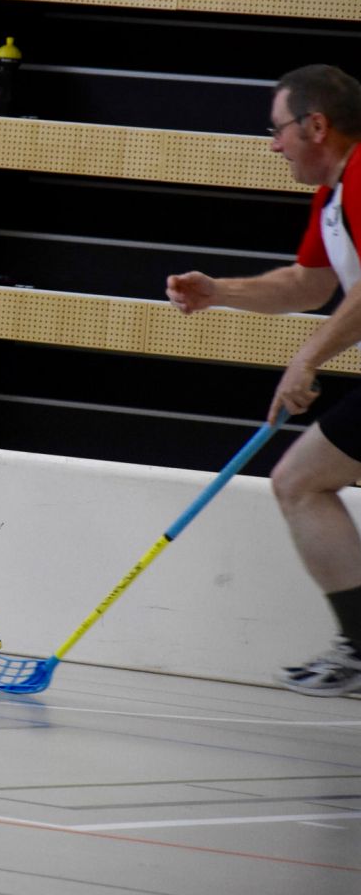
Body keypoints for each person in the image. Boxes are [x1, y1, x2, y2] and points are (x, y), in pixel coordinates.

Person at [166, 63, 361, 698]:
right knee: (300, 481)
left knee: (300, 481)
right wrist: (219, 291)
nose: (274, 145)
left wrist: (307, 360)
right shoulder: (334, 196)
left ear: (316, 126)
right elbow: (308, 284)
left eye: (278, 130)